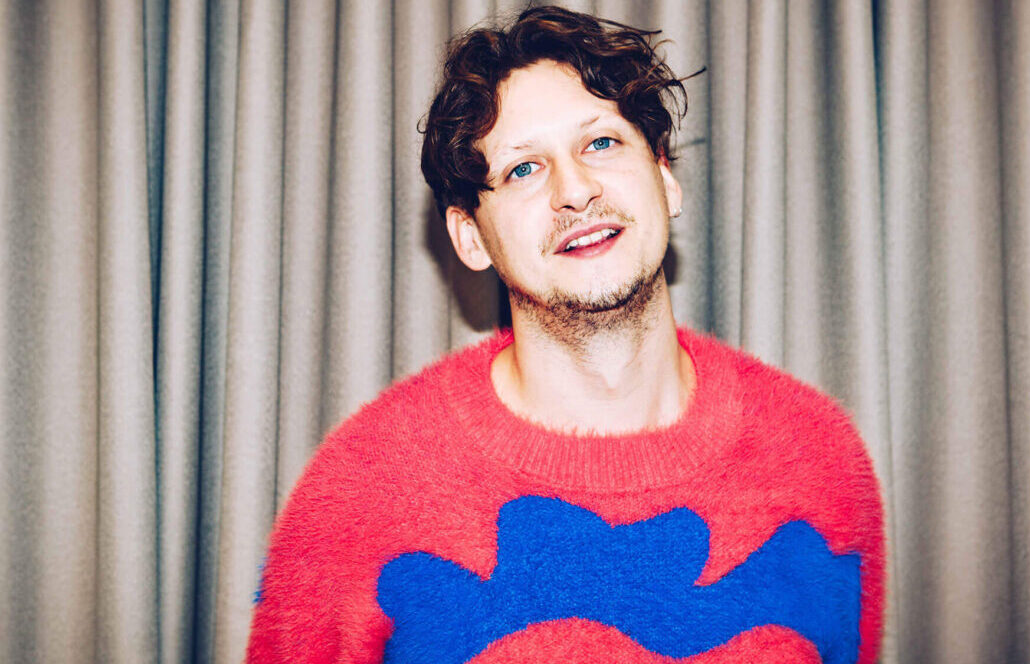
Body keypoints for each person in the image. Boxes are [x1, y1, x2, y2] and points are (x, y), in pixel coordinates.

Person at [246, 6, 884, 663]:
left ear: (665, 177)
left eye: (601, 143)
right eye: (523, 169)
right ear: (470, 237)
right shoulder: (359, 490)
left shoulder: (820, 454)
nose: (575, 190)